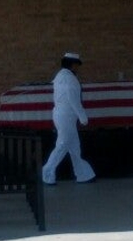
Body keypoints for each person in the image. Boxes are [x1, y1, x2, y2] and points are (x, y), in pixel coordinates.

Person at [42, 52, 96, 185]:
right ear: (72, 65)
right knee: (62, 145)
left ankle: (83, 174)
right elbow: (73, 100)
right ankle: (47, 173)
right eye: (77, 65)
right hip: (66, 116)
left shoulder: (61, 76)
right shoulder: (69, 79)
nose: (77, 68)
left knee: (74, 147)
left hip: (64, 115)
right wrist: (83, 117)